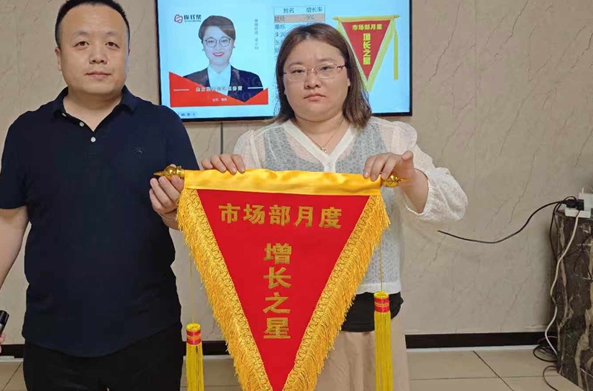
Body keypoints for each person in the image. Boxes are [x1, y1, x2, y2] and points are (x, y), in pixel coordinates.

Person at [199, 23, 468, 390]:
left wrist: (410, 177)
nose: (312, 81)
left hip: (372, 315)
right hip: (290, 320)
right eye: (297, 71)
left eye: (326, 68)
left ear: (349, 76)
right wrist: (220, 188)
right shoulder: (257, 147)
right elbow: (238, 240)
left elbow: (453, 204)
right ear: (282, 83)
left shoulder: (391, 136)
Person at [0, 0, 196, 391]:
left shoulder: (162, 125)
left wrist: (174, 213)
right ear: (59, 56)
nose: (98, 55)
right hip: (53, 337)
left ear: (127, 53)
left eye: (112, 43)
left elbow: (192, 219)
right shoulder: (28, 131)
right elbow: (6, 223)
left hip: (147, 333)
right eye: (82, 43)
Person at [184, 15, 264, 102]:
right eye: (211, 41)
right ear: (202, 44)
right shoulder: (187, 81)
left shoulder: (251, 80)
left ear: (233, 43)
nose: (218, 47)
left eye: (224, 40)